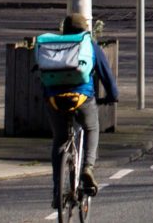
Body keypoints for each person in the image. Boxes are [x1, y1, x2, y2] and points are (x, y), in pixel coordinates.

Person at [42, 12, 120, 197]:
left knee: (60, 140)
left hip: (55, 99)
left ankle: (57, 191)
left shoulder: (53, 46)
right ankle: (88, 168)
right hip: (82, 97)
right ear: (85, 30)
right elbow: (106, 75)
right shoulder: (90, 45)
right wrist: (112, 96)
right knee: (92, 127)